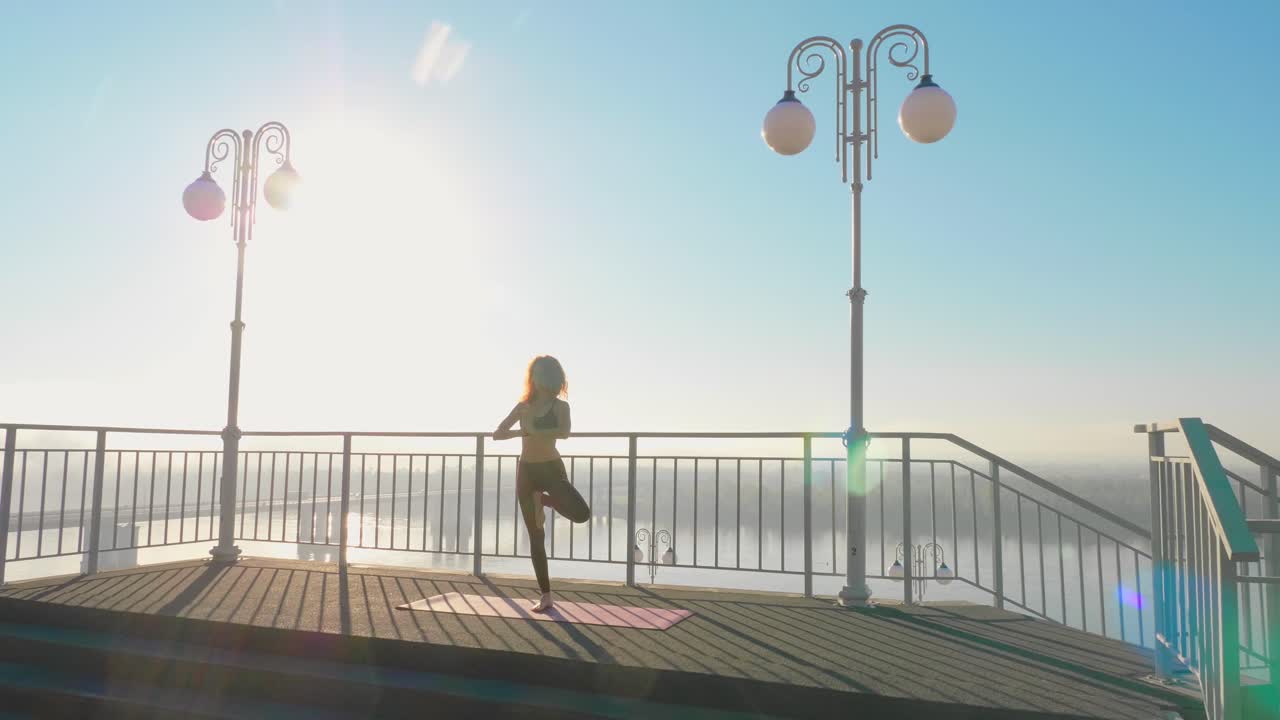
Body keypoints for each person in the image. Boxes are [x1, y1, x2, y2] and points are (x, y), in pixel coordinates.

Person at [492, 355, 590, 612]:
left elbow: (564, 432)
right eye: (532, 373)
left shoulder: (560, 407)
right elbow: (497, 434)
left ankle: (545, 500)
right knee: (536, 536)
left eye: (539, 373)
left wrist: (535, 430)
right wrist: (521, 432)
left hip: (550, 469)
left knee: (582, 513)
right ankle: (545, 595)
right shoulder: (523, 406)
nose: (535, 378)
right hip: (526, 471)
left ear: (550, 377)